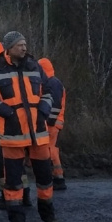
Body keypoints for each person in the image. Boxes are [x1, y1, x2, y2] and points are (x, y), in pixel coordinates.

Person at [0, 31, 58, 222]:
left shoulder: (35, 67)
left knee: (45, 179)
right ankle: (17, 221)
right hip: (12, 134)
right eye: (19, 45)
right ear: (8, 48)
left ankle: (48, 215)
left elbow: (48, 91)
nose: (24, 48)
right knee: (13, 182)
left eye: (25, 44)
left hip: (38, 134)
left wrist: (43, 110)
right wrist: (6, 112)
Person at [0, 42, 32, 210]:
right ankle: (25, 194)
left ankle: (7, 196)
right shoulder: (9, 72)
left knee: (1, 163)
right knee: (16, 161)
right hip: (9, 126)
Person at [38, 57, 67, 191]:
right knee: (51, 149)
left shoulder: (52, 83)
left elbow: (54, 105)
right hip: (54, 122)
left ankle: (58, 179)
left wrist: (49, 121)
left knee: (50, 150)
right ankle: (57, 177)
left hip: (52, 122)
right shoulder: (52, 82)